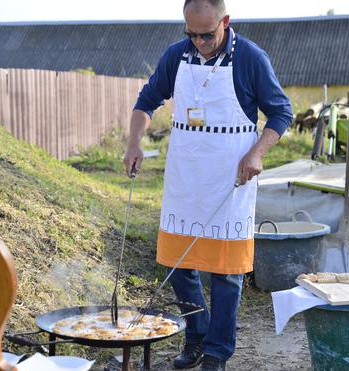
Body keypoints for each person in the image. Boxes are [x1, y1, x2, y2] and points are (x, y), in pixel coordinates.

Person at [124, 0, 293, 370]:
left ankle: (216, 353)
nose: (198, 42)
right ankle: (196, 335)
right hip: (186, 179)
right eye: (191, 34)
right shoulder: (176, 56)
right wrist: (134, 142)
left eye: (207, 34)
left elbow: (281, 111)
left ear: (225, 22)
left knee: (226, 272)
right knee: (178, 264)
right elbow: (146, 101)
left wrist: (258, 153)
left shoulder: (250, 58)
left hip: (232, 177)